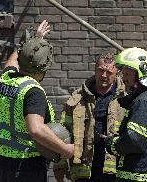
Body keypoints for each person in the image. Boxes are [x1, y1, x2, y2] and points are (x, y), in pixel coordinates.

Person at [0, 20, 75, 182]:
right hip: (26, 168)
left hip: (2, 165)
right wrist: (65, 149)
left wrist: (33, 41)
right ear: (43, 68)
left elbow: (11, 61)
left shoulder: (6, 78)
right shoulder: (33, 91)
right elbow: (36, 129)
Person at [53, 52, 126, 182]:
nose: (104, 75)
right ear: (95, 70)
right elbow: (64, 131)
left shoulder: (126, 98)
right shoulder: (78, 98)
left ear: (116, 73)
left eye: (109, 72)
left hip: (114, 170)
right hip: (83, 170)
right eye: (100, 70)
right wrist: (60, 164)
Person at [104, 47, 147, 182]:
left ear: (141, 73)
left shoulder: (144, 102)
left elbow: (135, 141)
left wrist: (111, 143)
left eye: (127, 74)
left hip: (138, 177)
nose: (123, 79)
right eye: (123, 74)